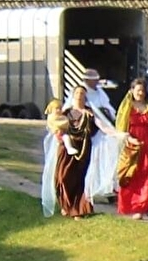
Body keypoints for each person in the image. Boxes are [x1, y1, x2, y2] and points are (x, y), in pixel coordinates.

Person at [110, 77, 148, 219]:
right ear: (132, 91)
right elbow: (120, 128)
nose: (140, 93)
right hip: (131, 146)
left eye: (143, 91)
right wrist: (129, 139)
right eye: (138, 90)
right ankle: (136, 208)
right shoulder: (126, 107)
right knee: (132, 176)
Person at [46, 90, 96, 219]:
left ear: (85, 97)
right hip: (65, 149)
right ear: (73, 96)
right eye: (77, 93)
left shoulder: (89, 112)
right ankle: (65, 205)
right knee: (62, 177)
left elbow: (100, 127)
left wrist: (117, 134)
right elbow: (54, 124)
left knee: (79, 179)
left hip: (82, 148)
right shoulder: (66, 112)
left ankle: (77, 210)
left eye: (82, 93)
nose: (79, 95)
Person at [80, 68, 123, 201]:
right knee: (93, 161)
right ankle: (89, 191)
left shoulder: (100, 93)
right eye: (93, 80)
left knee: (111, 154)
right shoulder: (81, 92)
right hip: (90, 132)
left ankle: (108, 188)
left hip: (104, 130)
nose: (96, 82)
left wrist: (108, 115)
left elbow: (108, 109)